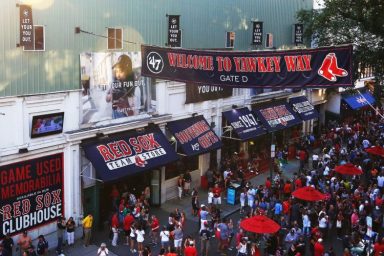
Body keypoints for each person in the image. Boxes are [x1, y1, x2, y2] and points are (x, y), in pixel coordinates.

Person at [105, 54, 140, 118]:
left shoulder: (135, 89)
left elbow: (135, 115)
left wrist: (126, 106)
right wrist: (110, 96)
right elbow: (107, 100)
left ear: (127, 70)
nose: (117, 74)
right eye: (117, 70)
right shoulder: (116, 84)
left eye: (120, 70)